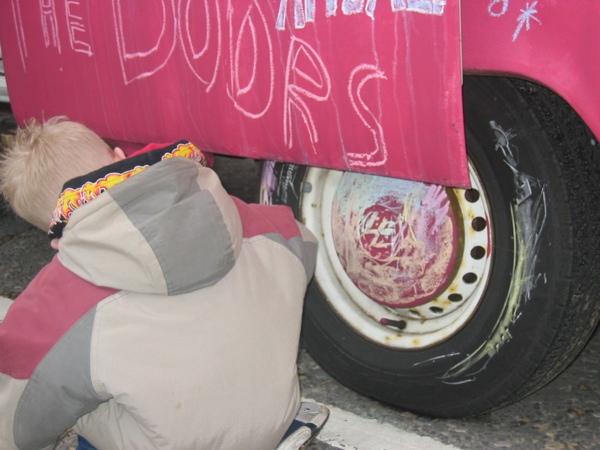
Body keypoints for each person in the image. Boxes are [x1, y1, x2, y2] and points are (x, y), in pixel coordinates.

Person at [0, 117, 322, 449]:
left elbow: (17, 422)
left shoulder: (58, 299)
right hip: (272, 419)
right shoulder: (244, 217)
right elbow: (304, 243)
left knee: (71, 387)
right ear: (118, 155)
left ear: (53, 234)